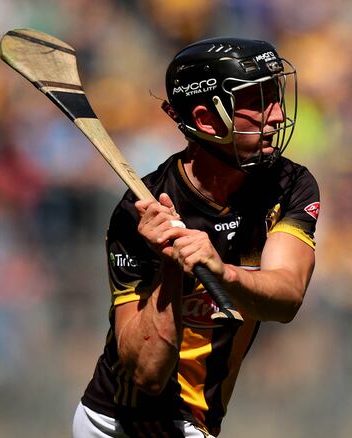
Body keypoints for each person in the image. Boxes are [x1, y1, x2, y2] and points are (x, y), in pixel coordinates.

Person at [73, 37, 320, 438]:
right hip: (128, 420)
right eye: (258, 102)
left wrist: (220, 272)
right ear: (207, 121)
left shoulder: (288, 184)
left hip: (197, 420)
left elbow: (286, 298)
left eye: (276, 97)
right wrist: (170, 268)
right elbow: (147, 375)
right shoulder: (139, 212)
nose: (277, 115)